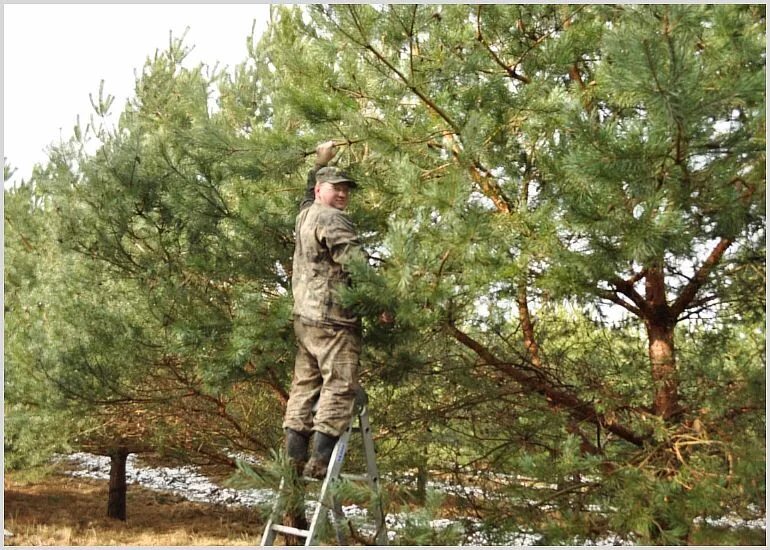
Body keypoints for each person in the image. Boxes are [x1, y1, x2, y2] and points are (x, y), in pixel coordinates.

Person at [282, 141, 368, 480]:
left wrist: (319, 162)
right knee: (340, 385)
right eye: (337, 188)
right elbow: (357, 266)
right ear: (322, 190)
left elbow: (306, 195)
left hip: (305, 318)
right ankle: (318, 462)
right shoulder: (334, 220)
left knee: (304, 386)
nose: (344, 194)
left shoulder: (307, 214)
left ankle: (292, 460)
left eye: (347, 189)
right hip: (334, 320)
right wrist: (381, 303)